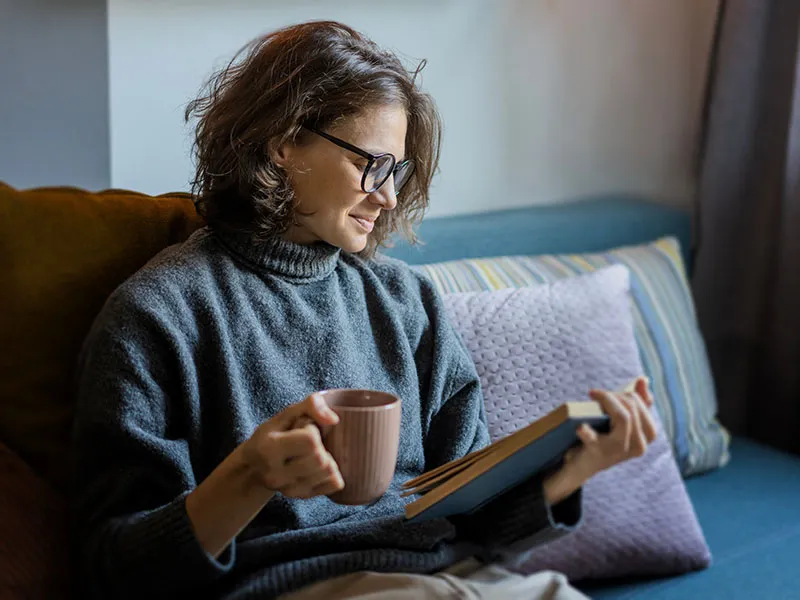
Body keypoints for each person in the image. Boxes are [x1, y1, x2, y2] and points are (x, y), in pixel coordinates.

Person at [71, 20, 657, 600]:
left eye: (396, 170)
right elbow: (115, 568)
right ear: (282, 141)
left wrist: (576, 468)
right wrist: (248, 475)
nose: (390, 196)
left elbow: (476, 520)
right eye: (370, 165)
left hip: (452, 578)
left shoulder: (406, 302)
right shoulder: (158, 315)